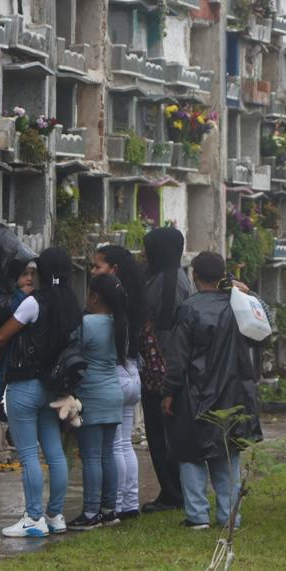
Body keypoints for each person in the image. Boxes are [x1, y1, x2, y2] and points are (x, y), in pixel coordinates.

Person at [161, 252, 262, 530]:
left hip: (195, 393)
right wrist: (246, 292)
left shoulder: (188, 308)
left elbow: (178, 357)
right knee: (228, 454)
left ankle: (197, 516)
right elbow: (263, 328)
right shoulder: (237, 305)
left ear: (194, 276)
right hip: (234, 390)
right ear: (224, 275)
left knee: (190, 453)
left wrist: (168, 391)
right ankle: (230, 516)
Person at [0, 248, 83, 538]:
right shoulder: (72, 303)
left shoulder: (34, 302)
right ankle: (55, 515)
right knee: (54, 452)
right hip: (54, 388)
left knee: (29, 453)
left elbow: (2, 335)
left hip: (25, 385)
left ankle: (33, 518)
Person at [68, 273, 127, 530]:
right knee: (107, 454)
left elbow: (71, 348)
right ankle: (108, 510)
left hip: (91, 394)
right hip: (114, 393)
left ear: (94, 297)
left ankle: (90, 512)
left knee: (91, 456)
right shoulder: (119, 323)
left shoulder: (88, 323)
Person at [91, 246, 146, 520]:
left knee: (114, 446)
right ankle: (130, 502)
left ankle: (115, 503)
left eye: (98, 266)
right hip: (133, 372)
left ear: (114, 270)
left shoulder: (110, 303)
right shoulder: (135, 298)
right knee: (125, 444)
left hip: (114, 376)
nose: (93, 272)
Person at [140, 227, 192, 513]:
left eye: (148, 249)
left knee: (163, 435)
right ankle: (172, 490)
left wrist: (169, 381)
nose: (144, 254)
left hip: (163, 369)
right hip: (163, 367)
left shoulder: (170, 283)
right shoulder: (169, 276)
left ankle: (173, 493)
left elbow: (169, 332)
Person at [0, 263, 36, 424]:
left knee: (4, 370)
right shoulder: (13, 295)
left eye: (31, 274)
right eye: (24, 275)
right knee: (3, 370)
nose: (29, 278)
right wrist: (21, 295)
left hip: (15, 340)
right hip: (10, 339)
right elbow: (10, 308)